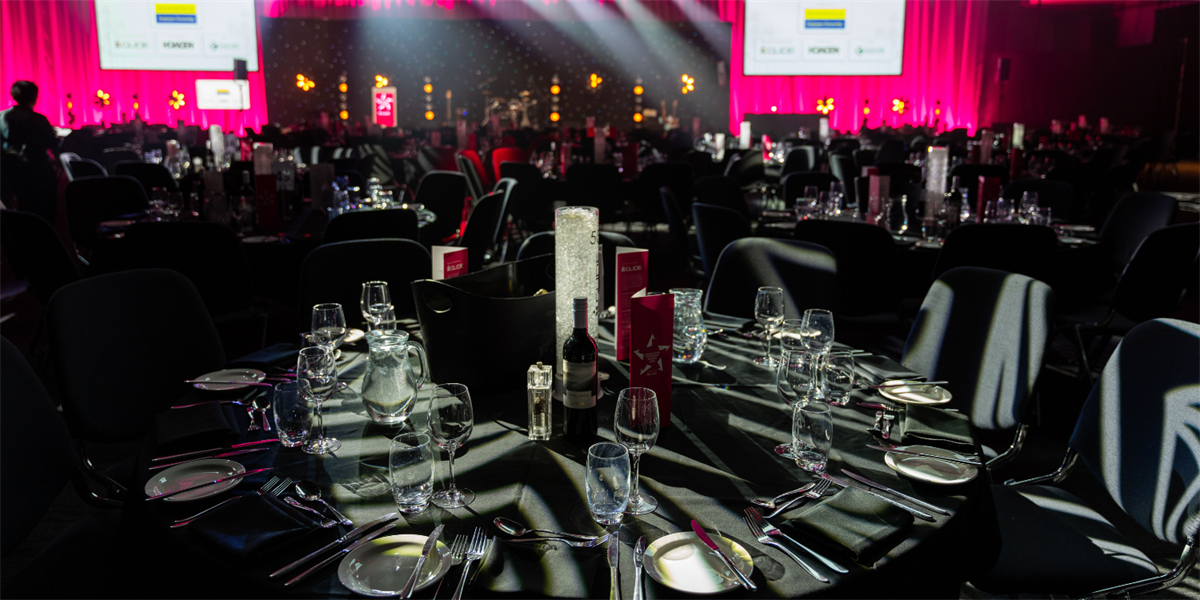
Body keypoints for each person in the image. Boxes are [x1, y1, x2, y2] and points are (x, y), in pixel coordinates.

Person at [1, 81, 60, 224]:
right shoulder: (38, 119)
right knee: (44, 215)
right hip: (38, 173)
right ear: (34, 97)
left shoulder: (2, 116)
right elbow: (53, 143)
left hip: (10, 172)